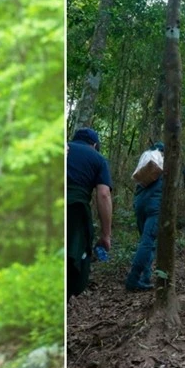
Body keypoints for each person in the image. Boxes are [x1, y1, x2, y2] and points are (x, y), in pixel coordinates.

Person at [66, 127, 112, 298]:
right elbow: (103, 194)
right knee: (74, 259)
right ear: (94, 144)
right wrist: (106, 235)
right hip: (75, 211)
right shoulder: (98, 159)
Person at [125, 142, 164, 292]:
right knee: (147, 242)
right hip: (154, 206)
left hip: (140, 204)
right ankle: (133, 279)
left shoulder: (145, 166)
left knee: (146, 242)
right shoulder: (161, 165)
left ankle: (144, 278)